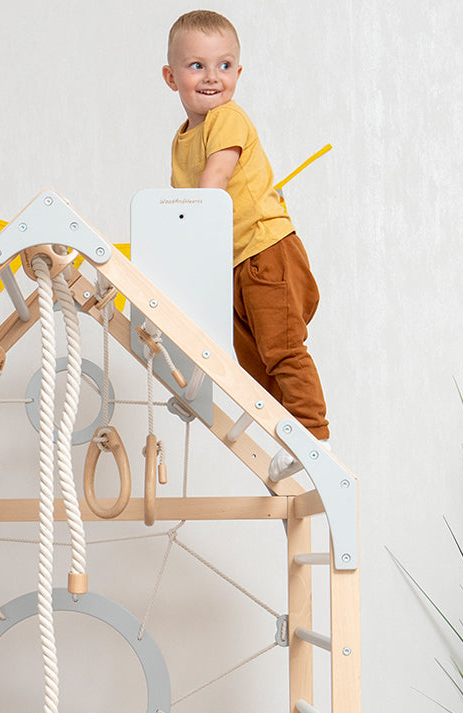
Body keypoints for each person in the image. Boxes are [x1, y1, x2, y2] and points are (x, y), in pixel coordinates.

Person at [162, 10, 328, 480]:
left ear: (238, 72)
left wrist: (174, 235)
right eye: (197, 66)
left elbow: (212, 185)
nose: (212, 77)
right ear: (171, 77)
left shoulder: (227, 119)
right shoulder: (181, 139)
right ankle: (285, 431)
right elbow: (186, 203)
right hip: (235, 262)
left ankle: (312, 433)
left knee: (282, 347)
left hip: (266, 249)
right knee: (253, 364)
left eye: (225, 65)